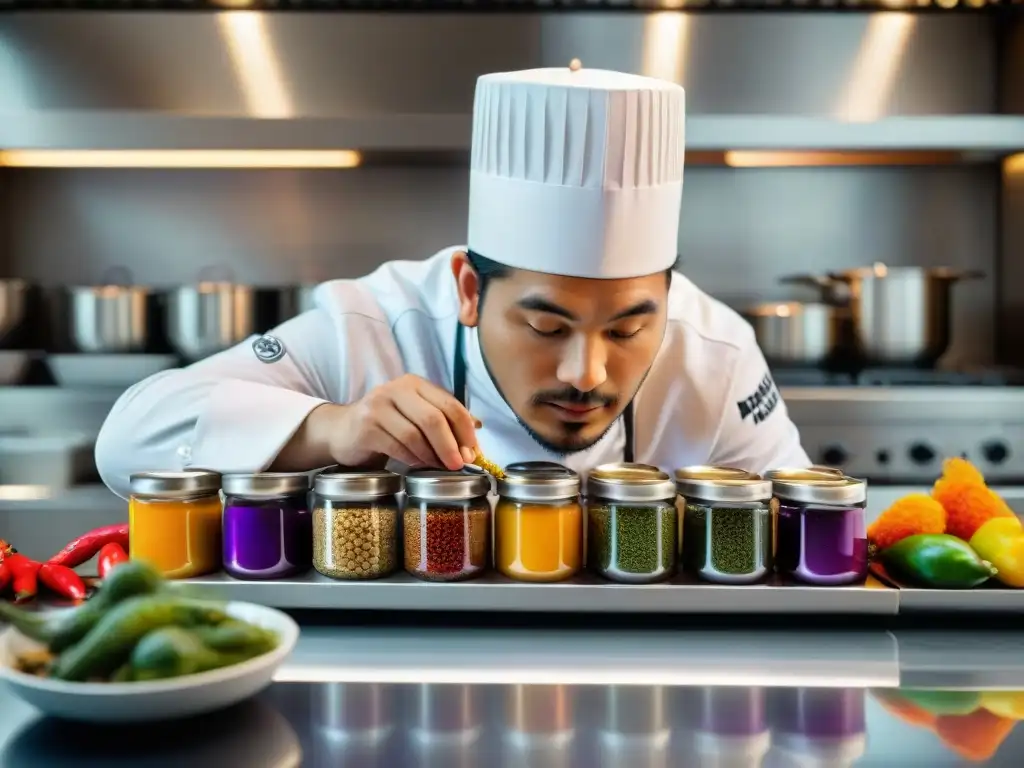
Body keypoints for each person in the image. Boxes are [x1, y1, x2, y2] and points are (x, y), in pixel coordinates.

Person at [95, 64, 810, 499]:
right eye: (546, 326)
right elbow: (128, 442)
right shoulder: (370, 325)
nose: (586, 373)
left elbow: (798, 521)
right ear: (469, 288)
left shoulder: (714, 349)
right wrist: (332, 427)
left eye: (628, 328)